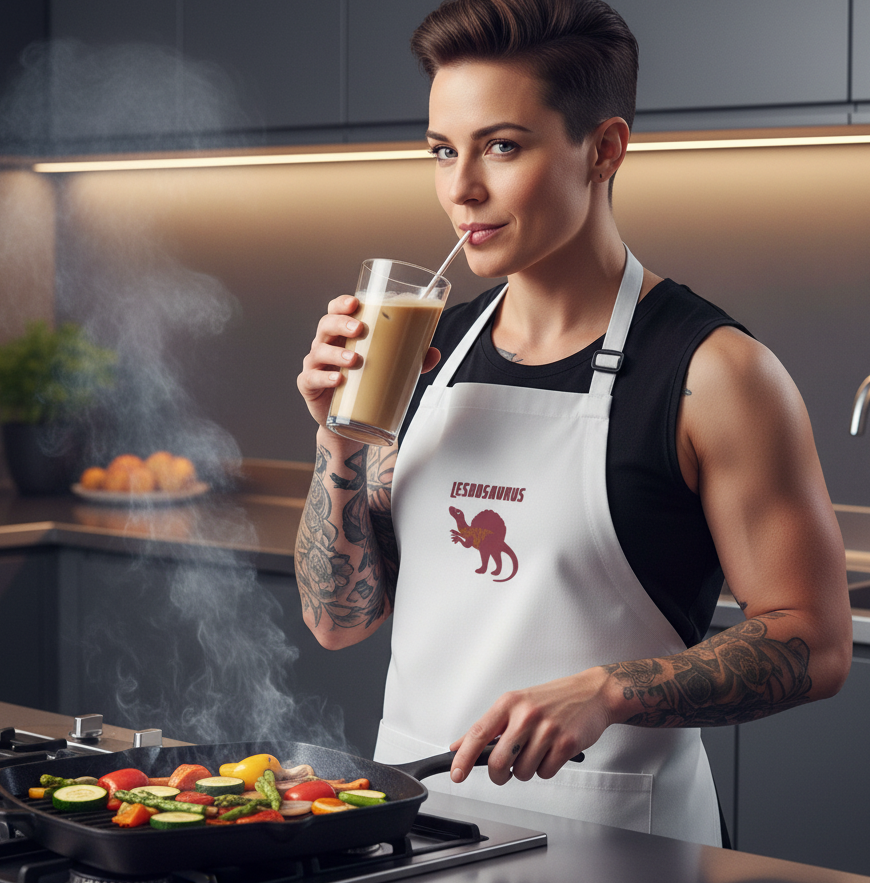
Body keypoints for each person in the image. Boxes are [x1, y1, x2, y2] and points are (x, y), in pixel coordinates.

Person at [295, 0, 851, 847]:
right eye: (443, 151)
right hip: (412, 829)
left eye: (501, 146)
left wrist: (609, 690)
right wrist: (338, 439)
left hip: (623, 839)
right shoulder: (425, 350)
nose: (460, 188)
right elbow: (338, 619)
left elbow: (814, 643)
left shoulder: (715, 373)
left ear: (604, 149)